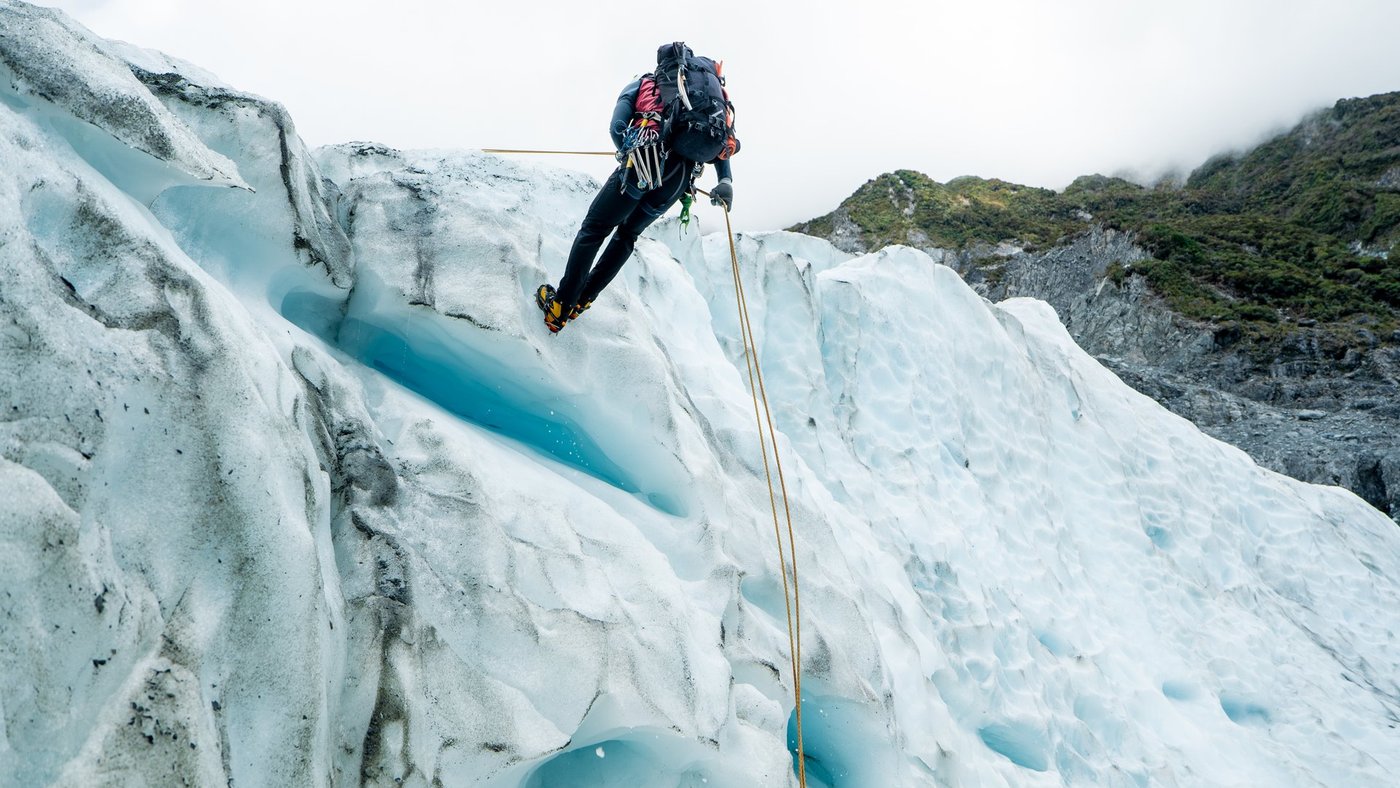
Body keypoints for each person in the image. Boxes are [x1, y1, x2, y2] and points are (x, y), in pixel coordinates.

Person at [536, 42, 739, 333]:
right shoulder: (706, 100)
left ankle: (561, 305)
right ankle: (582, 300)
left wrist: (627, 154)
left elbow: (617, 127)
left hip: (643, 164)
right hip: (677, 181)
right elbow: (723, 145)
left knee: (594, 229)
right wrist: (725, 181)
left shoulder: (645, 82)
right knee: (627, 235)